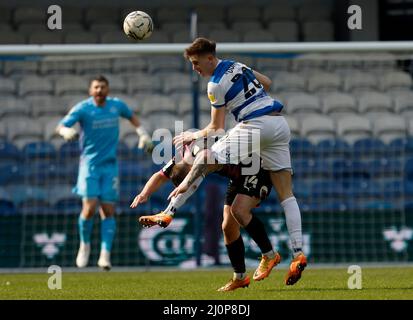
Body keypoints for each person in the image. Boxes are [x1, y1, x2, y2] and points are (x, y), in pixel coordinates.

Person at [168, 37, 307, 285]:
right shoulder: (237, 65)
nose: (195, 68)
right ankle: (297, 253)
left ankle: (174, 205)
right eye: (192, 63)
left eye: (197, 63)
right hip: (279, 124)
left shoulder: (214, 84)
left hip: (255, 125)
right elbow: (267, 82)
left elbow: (216, 127)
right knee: (287, 195)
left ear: (210, 58)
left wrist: (193, 134)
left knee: (206, 157)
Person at [131, 137, 281, 291]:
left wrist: (170, 211)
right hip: (237, 176)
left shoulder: (200, 155)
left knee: (239, 211)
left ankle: (269, 255)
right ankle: (240, 278)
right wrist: (144, 193)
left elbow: (192, 183)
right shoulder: (182, 155)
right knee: (228, 227)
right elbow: (160, 175)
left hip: (255, 167)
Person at [56, 75, 153, 271]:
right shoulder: (83, 108)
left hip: (110, 166)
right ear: (90, 91)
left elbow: (132, 118)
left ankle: (105, 255)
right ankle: (84, 246)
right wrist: (65, 132)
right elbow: (61, 125)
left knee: (108, 210)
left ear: (107, 90)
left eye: (103, 87)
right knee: (90, 207)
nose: (99, 90)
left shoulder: (116, 105)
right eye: (96, 87)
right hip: (89, 165)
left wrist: (143, 134)